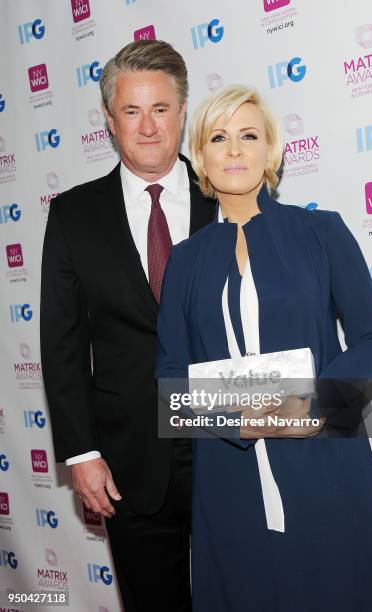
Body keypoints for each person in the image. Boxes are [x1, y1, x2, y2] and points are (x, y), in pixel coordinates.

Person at [156, 85, 372, 611]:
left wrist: (313, 403)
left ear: (270, 150)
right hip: (229, 479)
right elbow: (170, 383)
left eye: (249, 135)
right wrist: (234, 423)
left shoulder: (321, 232)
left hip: (324, 463)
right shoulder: (183, 261)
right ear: (200, 155)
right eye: (218, 138)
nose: (234, 150)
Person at [40, 40, 215, 611]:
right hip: (129, 462)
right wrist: (81, 454)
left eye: (160, 109)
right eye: (132, 111)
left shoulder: (229, 199)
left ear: (182, 113)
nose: (147, 127)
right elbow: (62, 346)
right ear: (110, 119)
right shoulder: (73, 215)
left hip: (230, 447)